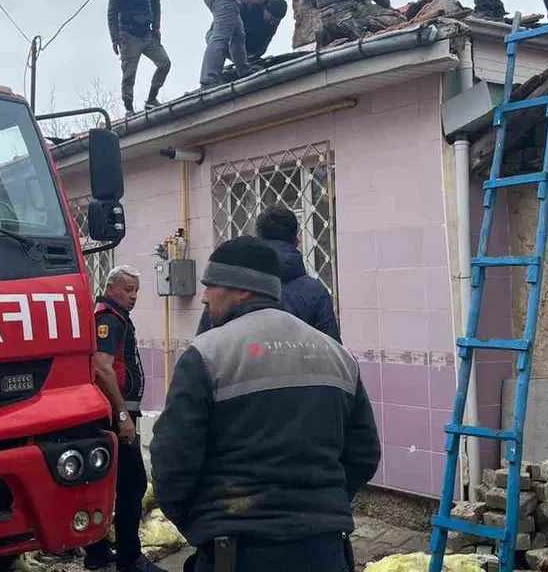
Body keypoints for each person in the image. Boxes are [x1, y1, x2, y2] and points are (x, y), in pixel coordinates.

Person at [151, 237, 380, 572]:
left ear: (242, 290)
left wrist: (201, 523)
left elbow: (172, 460)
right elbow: (364, 454)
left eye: (210, 285)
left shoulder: (207, 354)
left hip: (238, 551)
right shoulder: (336, 355)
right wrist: (321, 507)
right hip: (325, 549)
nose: (203, 296)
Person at [85, 266, 165, 572]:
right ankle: (129, 557)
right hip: (114, 415)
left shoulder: (113, 316)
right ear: (112, 287)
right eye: (128, 289)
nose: (133, 296)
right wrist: (122, 417)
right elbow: (102, 367)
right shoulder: (109, 319)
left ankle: (97, 553)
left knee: (105, 483)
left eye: (136, 290)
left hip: (111, 414)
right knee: (133, 486)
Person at [195, 206, 340, 342]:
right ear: (297, 242)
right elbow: (333, 350)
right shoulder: (315, 292)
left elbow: (201, 349)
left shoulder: (235, 289)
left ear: (258, 241)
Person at [108, 0, 170, 114]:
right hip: (128, 34)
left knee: (164, 63)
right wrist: (115, 38)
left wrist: (156, 26)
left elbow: (156, 2)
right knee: (129, 75)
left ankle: (151, 98)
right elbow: (112, 12)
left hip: (148, 32)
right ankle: (128, 107)